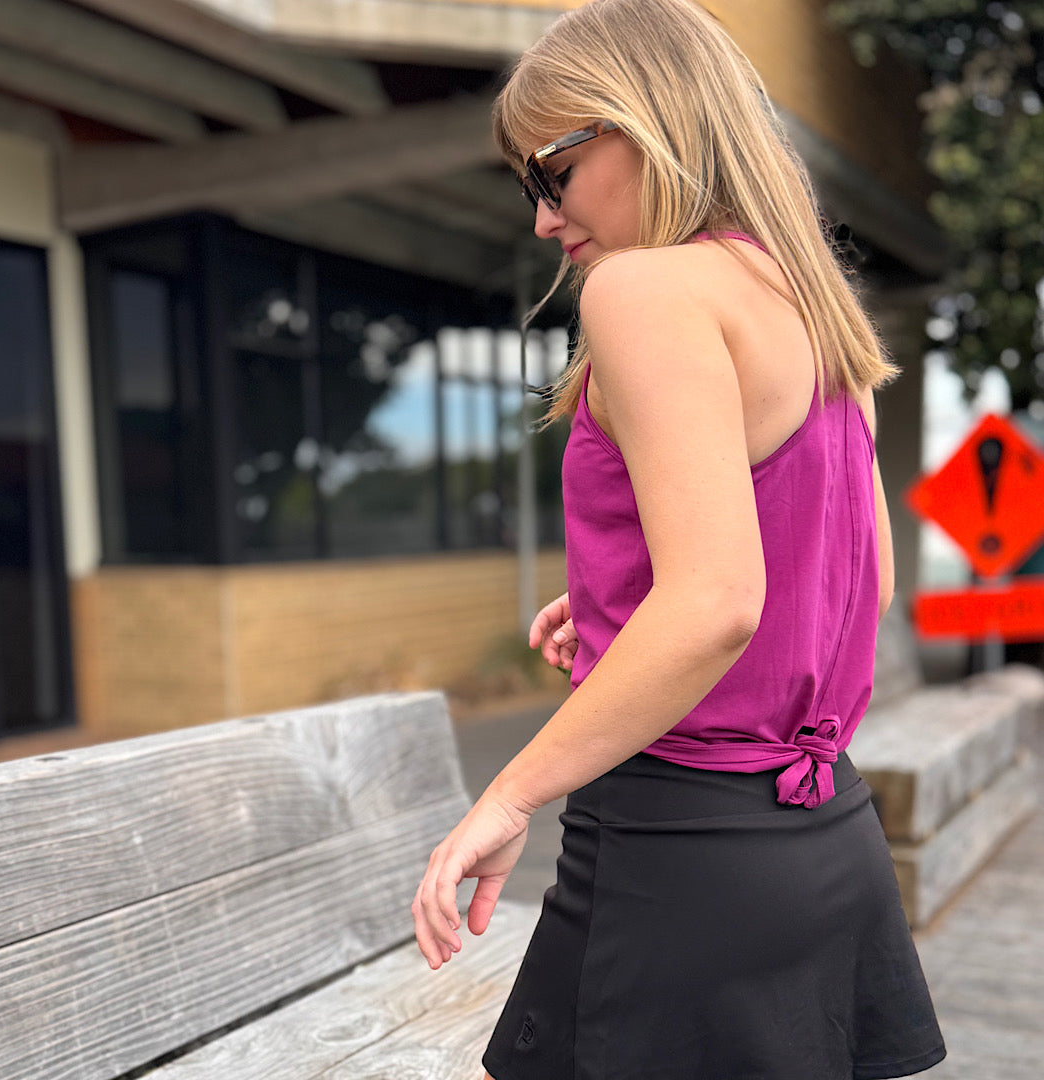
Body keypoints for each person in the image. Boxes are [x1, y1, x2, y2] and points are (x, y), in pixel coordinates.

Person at [411, 0, 948, 1076]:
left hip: (679, 856)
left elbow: (715, 605)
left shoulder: (644, 289)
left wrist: (510, 794)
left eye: (548, 176)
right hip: (824, 839)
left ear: (638, 122)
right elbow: (856, 584)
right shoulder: (815, 310)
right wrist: (622, 611)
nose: (542, 223)